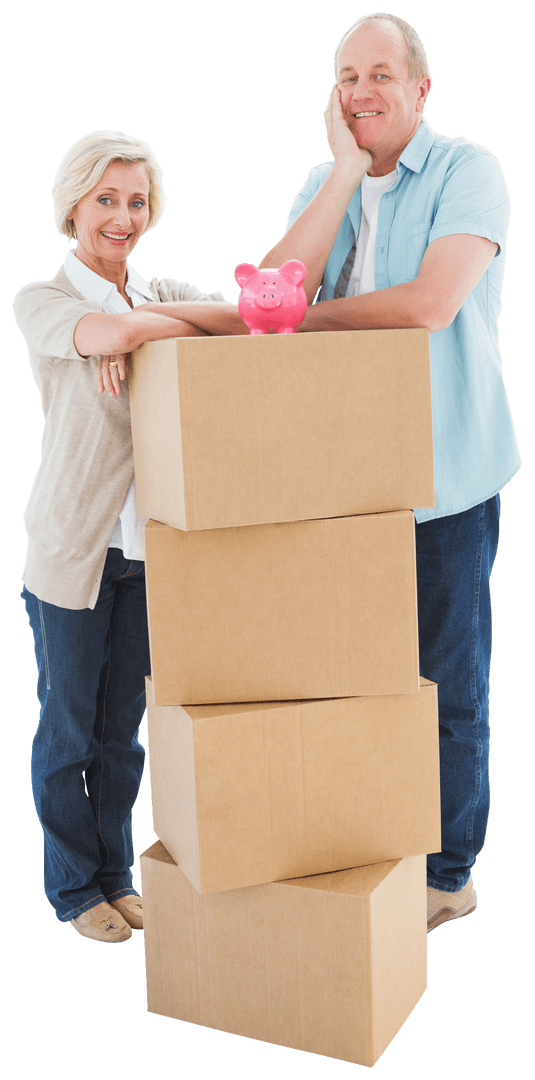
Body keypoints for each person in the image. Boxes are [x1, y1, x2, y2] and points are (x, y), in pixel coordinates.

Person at [260, 12, 521, 930]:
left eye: (379, 73)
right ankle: (367, 839)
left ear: (420, 87)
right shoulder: (322, 181)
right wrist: (338, 173)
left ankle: (447, 871)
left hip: (441, 476)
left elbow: (429, 304)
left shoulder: (467, 171)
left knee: (446, 684)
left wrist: (295, 321)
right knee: (347, 682)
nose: (360, 90)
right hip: (340, 487)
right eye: (344, 76)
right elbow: (272, 296)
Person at [13, 129, 247, 943]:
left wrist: (143, 320)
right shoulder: (43, 300)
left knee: (121, 733)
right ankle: (73, 889)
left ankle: (116, 875)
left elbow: (243, 326)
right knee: (68, 728)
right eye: (106, 199)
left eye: (137, 201)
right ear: (73, 205)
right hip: (75, 550)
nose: (122, 216)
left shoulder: (162, 288)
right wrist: (128, 332)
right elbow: (103, 338)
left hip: (150, 552)